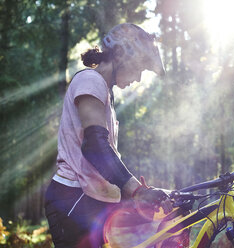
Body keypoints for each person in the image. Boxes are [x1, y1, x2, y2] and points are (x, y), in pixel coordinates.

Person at [44, 23, 173, 248]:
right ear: (122, 55)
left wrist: (137, 194)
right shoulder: (90, 80)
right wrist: (136, 190)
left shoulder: (104, 91)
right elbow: (94, 146)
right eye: (139, 68)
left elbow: (104, 159)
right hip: (73, 198)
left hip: (90, 199)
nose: (139, 78)